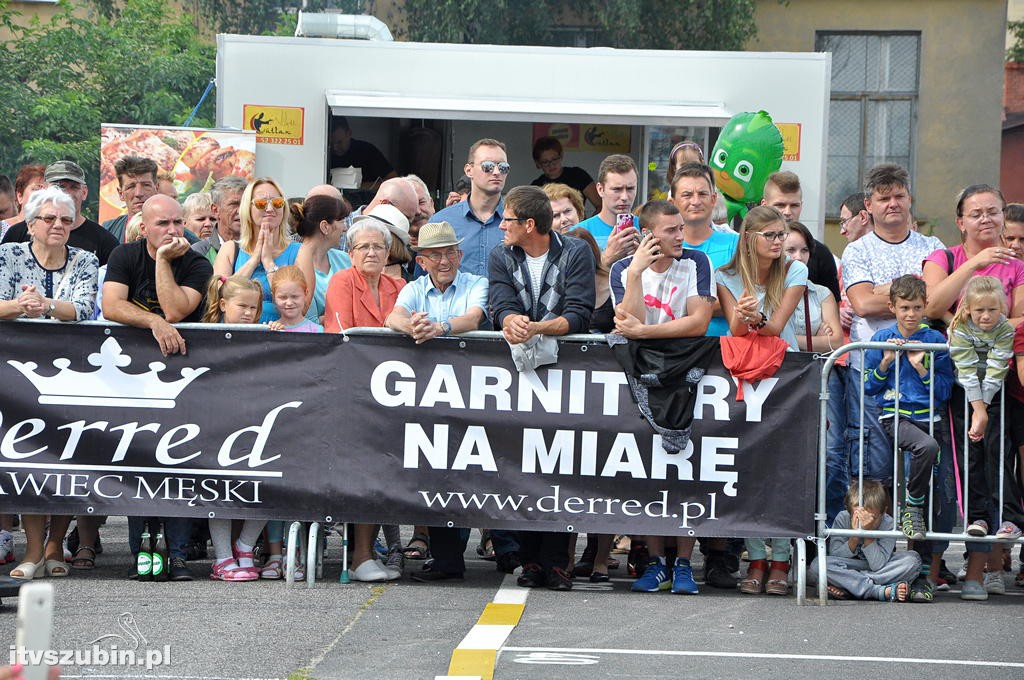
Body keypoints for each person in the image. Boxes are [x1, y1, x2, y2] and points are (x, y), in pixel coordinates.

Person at [488, 185, 595, 590]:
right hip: (517, 374)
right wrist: (509, 321)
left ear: (529, 224)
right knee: (522, 460)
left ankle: (557, 561)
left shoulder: (576, 252)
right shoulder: (501, 255)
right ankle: (530, 560)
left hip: (566, 372)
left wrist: (536, 327)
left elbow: (579, 314)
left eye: (508, 219)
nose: (502, 226)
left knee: (561, 461)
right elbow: (500, 301)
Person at [607, 199, 713, 595]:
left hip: (685, 368)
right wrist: (635, 273)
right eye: (671, 230)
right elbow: (625, 319)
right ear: (650, 234)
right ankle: (655, 562)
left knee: (686, 471)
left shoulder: (697, 262)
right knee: (646, 473)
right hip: (642, 374)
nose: (680, 236)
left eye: (682, 228)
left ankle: (684, 563)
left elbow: (698, 321)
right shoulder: (623, 269)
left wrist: (646, 332)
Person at [102, 194, 210, 581]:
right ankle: (141, 553)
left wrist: (164, 261)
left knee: (179, 463)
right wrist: (153, 324)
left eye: (178, 222)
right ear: (143, 226)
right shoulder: (124, 256)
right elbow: (111, 305)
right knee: (137, 463)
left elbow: (178, 310)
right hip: (132, 379)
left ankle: (178, 555)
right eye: (163, 224)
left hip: (183, 375)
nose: (173, 230)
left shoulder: (196, 262)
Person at [0, 187, 99, 581]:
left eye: (65, 219)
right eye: (48, 218)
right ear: (30, 224)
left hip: (74, 376)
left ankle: (56, 545)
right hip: (18, 378)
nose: (58, 225)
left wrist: (47, 306)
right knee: (30, 459)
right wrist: (20, 306)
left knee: (67, 459)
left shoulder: (86, 259)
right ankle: (32, 547)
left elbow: (85, 307)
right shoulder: (7, 256)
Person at [716, 205, 806, 596]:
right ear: (748, 238)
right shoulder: (726, 275)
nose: (778, 242)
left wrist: (754, 317)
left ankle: (781, 559)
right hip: (746, 375)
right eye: (769, 235)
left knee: (784, 467)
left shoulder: (795, 270)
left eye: (781, 234)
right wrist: (743, 312)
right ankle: (755, 558)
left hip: (786, 374)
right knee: (750, 464)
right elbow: (736, 330)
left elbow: (775, 327)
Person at [841, 163, 944, 489]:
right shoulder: (856, 250)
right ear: (869, 206)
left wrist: (881, 289)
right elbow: (863, 305)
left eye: (899, 196)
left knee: (922, 462)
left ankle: (918, 538)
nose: (893, 203)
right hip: (872, 370)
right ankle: (876, 538)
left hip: (922, 371)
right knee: (873, 462)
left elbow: (936, 301)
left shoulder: (932, 247)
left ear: (910, 199)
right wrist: (912, 284)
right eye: (884, 198)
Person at [861, 275, 954, 601]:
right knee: (922, 454)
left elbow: (944, 390)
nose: (911, 314)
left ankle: (922, 577)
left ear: (925, 306)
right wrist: (886, 361)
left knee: (937, 500)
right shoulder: (882, 337)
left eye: (916, 308)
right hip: (895, 418)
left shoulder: (935, 340)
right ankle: (910, 506)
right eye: (904, 308)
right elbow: (870, 388)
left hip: (931, 419)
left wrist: (921, 367)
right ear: (892, 307)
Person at [323, 216, 405, 581]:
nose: (372, 252)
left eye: (378, 246)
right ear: (351, 253)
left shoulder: (400, 285)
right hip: (349, 390)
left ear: (389, 252)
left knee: (383, 469)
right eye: (364, 247)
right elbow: (343, 332)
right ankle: (360, 557)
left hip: (392, 392)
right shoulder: (342, 280)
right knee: (364, 468)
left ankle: (368, 555)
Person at [200, 275, 268, 580]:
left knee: (266, 482)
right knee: (219, 488)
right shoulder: (206, 333)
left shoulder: (263, 334)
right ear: (224, 304)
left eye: (254, 308)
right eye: (242, 306)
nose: (249, 314)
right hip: (215, 420)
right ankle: (222, 557)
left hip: (253, 419)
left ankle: (245, 545)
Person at [922, 185, 1024, 328]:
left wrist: (972, 330)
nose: (986, 219)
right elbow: (930, 309)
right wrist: (973, 264)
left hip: (997, 348)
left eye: (993, 212)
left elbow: (1020, 322)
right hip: (948, 348)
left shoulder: (1017, 267)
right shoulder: (942, 258)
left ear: (1003, 217)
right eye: (976, 215)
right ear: (961, 223)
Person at [810, 480, 921, 602]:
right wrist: (854, 537)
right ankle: (877, 591)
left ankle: (850, 587)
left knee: (913, 560)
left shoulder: (888, 523)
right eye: (858, 516)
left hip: (878, 568)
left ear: (883, 511)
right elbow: (836, 555)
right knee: (819, 565)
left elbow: (877, 565)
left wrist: (868, 534)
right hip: (849, 566)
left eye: (872, 517)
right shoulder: (843, 518)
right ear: (849, 511)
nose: (865, 522)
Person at [213, 178, 305, 323]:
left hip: (281, 336)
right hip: (237, 338)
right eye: (261, 203)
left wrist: (268, 263)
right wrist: (253, 261)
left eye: (277, 203)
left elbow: (301, 307)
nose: (269, 209)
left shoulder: (300, 251)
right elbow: (219, 299)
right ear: (247, 209)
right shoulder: (230, 249)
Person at [2, 161, 119, 266]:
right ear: (44, 189)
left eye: (74, 187)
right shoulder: (17, 233)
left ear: (84, 192)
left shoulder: (104, 242)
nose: (67, 194)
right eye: (60, 186)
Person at [385, 221, 487, 342]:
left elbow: (473, 319)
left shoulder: (476, 284)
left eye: (450, 253)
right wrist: (412, 326)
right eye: (435, 255)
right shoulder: (413, 288)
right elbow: (393, 318)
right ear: (421, 262)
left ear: (459, 256)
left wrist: (439, 328)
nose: (444, 261)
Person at [671, 162, 739, 337]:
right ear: (672, 202)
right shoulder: (660, 246)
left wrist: (679, 305)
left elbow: (744, 302)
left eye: (702, 194)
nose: (695, 201)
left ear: (713, 199)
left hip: (724, 352)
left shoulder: (737, 244)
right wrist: (718, 302)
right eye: (687, 195)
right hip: (672, 350)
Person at [430, 139, 509, 277]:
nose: (496, 172)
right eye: (488, 166)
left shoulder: (518, 221)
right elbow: (425, 279)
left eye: (503, 167)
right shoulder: (441, 221)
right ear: (469, 170)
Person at [761, 171, 840, 301]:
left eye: (794, 205)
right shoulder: (748, 248)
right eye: (780, 205)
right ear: (764, 205)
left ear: (801, 206)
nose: (787, 212)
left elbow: (832, 304)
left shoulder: (820, 252)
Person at [292, 194, 351, 324]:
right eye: (341, 221)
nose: (345, 228)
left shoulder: (346, 259)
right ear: (325, 226)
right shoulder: (293, 262)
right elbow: (306, 320)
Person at [785, 222, 842, 351]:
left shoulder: (822, 293)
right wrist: (815, 340)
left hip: (811, 369)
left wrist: (785, 339)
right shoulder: (764, 289)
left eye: (804, 250)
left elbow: (836, 342)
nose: (799, 257)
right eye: (791, 250)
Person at [576, 154, 640, 254]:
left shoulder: (648, 227)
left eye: (630, 188)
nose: (624, 197)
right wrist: (607, 258)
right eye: (617, 189)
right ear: (600, 189)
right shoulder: (579, 232)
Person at [529, 136, 600, 210]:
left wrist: (588, 222)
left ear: (561, 156)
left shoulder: (578, 175)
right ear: (538, 164)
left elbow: (600, 205)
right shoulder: (536, 187)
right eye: (545, 162)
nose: (551, 164)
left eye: (554, 159)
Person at [328, 116, 397, 190]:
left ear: (349, 133)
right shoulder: (324, 154)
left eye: (339, 142)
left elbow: (394, 182)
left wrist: (359, 186)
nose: (335, 148)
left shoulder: (367, 151)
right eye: (331, 143)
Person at [102, 156, 159, 244]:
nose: (138, 193)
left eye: (146, 185)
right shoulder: (107, 230)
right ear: (121, 193)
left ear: (157, 189)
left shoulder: (176, 231)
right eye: (131, 187)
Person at [192, 176, 247, 264]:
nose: (241, 210)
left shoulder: (261, 248)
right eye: (234, 204)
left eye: (246, 204)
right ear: (215, 210)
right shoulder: (198, 253)